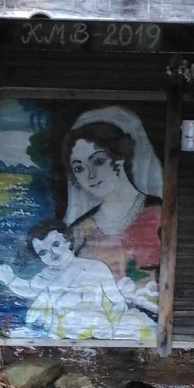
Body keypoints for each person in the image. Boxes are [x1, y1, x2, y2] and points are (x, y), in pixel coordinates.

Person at [62, 109, 163, 321]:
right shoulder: (81, 230)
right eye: (79, 168)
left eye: (98, 161)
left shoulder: (158, 214)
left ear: (119, 157)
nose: (90, 175)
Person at [0, 219, 130, 342]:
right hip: (60, 334)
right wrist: (10, 279)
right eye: (43, 252)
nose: (52, 253)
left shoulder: (95, 268)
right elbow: (29, 289)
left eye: (55, 244)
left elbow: (118, 302)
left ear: (67, 241)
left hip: (97, 331)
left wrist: (112, 330)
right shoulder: (46, 276)